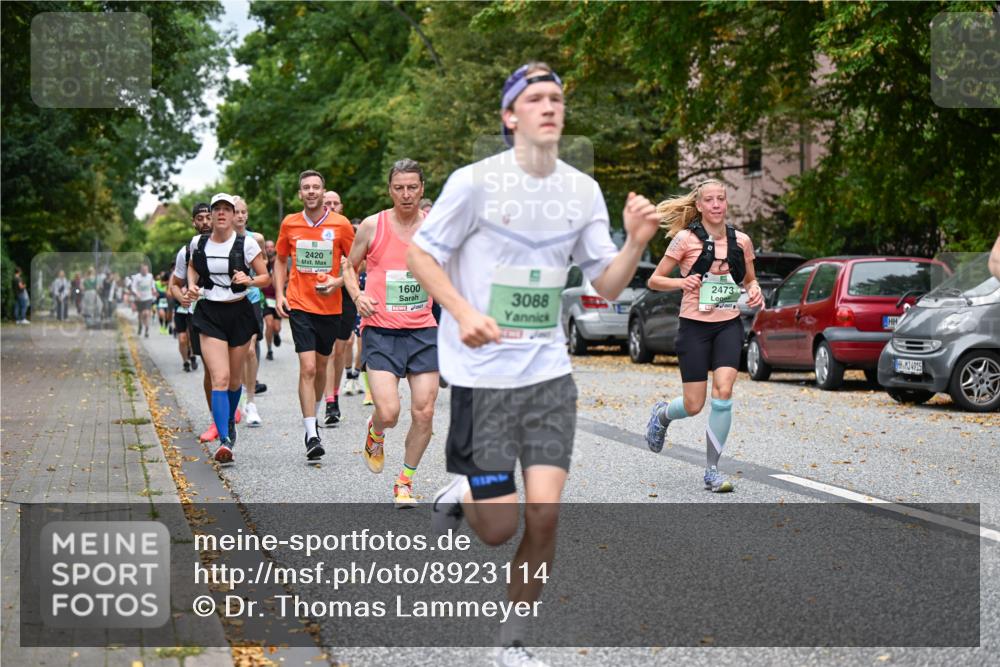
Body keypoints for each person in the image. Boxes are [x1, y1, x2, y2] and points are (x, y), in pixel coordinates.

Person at [407, 62, 661, 664]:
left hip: (547, 373)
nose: (551, 107)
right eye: (537, 98)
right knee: (497, 530)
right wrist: (464, 312)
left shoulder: (581, 190)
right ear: (510, 115)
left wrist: (634, 244)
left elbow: (607, 282)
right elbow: (422, 257)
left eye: (558, 98)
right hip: (482, 375)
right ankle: (468, 486)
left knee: (544, 516)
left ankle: (512, 643)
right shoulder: (475, 183)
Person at [643, 178, 763, 493]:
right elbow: (654, 281)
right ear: (699, 205)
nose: (715, 205)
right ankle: (663, 414)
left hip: (728, 324)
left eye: (720, 199)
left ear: (726, 203)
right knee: (694, 404)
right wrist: (681, 283)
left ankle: (712, 470)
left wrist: (755, 292)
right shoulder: (684, 240)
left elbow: (750, 280)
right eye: (709, 200)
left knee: (723, 394)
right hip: (694, 326)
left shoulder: (742, 241)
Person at [344, 159, 439, 507]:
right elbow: (349, 266)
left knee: (425, 412)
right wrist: (357, 295)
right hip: (381, 330)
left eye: (412, 187)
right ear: (390, 190)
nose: (406, 194)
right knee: (388, 411)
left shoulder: (435, 228)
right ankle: (376, 431)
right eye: (399, 187)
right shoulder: (373, 225)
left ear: (422, 188)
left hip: (423, 330)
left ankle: (405, 482)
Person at [273, 170, 355, 461]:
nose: (310, 191)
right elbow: (280, 259)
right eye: (305, 187)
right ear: (300, 193)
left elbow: (355, 263)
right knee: (307, 367)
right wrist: (281, 294)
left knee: (321, 367)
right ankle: (311, 433)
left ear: (323, 192)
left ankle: (315, 414)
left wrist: (337, 282)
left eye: (316, 187)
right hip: (299, 304)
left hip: (330, 307)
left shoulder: (341, 225)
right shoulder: (290, 223)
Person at [185, 193, 270, 464]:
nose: (222, 213)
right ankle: (225, 441)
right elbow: (191, 268)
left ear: (234, 215)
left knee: (235, 381)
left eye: (227, 209)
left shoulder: (246, 244)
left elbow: (266, 276)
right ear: (210, 216)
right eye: (217, 209)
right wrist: (191, 286)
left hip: (240, 312)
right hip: (210, 313)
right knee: (219, 377)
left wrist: (249, 279)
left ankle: (230, 425)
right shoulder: (198, 243)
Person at [321, 189, 355, 425]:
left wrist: (344, 270)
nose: (331, 206)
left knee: (341, 350)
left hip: (344, 294)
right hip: (322, 295)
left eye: (335, 203)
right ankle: (330, 401)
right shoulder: (314, 229)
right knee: (330, 351)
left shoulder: (345, 228)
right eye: (328, 203)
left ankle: (334, 392)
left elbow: (357, 264)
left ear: (341, 206)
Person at [233, 196, 267, 427]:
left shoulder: (256, 239)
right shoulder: (218, 240)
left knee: (250, 351)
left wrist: (250, 281)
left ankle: (251, 402)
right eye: (236, 211)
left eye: (244, 211)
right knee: (234, 353)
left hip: (252, 298)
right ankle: (238, 397)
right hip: (227, 300)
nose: (241, 215)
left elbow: (263, 270)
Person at [261, 239, 283, 360]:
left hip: (277, 298)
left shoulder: (279, 263)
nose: (269, 249)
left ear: (274, 248)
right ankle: (269, 350)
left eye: (271, 247)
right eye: (267, 247)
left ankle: (276, 334)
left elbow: (281, 282)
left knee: (276, 327)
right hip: (265, 299)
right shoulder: (262, 262)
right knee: (269, 324)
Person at [130, 264, 156, 337]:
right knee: (140, 314)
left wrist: (154, 290)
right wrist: (136, 293)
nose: (145, 271)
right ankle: (140, 325)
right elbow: (133, 287)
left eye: (146, 270)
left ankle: (147, 329)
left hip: (148, 297)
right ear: (141, 270)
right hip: (139, 299)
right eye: (143, 270)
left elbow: (152, 285)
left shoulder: (150, 276)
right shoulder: (137, 277)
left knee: (147, 313)